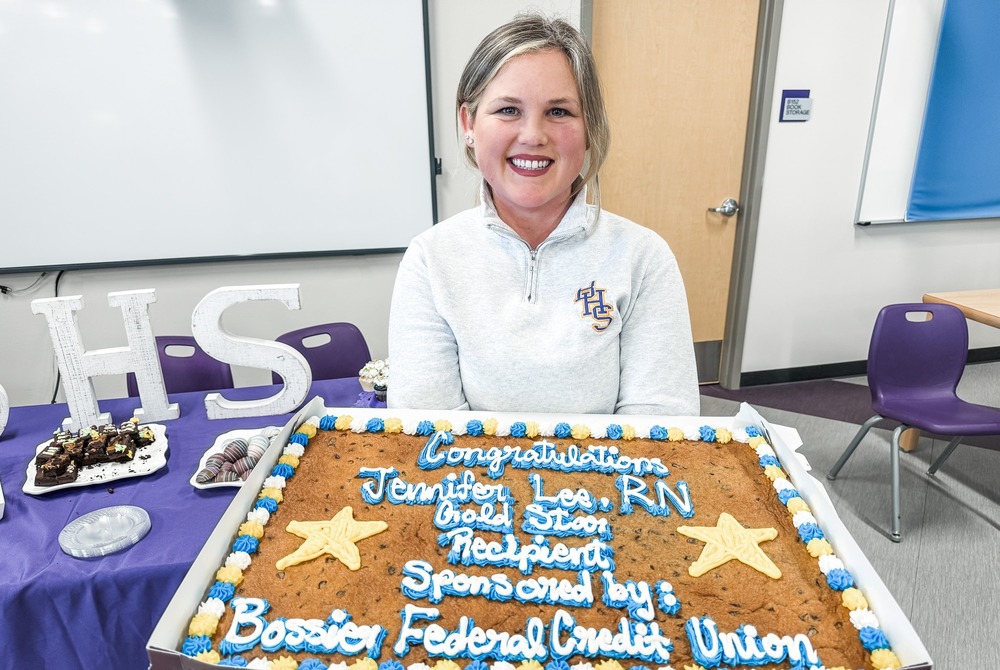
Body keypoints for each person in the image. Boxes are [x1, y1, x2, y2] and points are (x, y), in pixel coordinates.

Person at [387, 14, 699, 416]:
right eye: (508, 110)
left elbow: (660, 423)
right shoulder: (430, 260)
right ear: (468, 123)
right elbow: (426, 428)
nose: (533, 135)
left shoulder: (644, 258)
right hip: (467, 481)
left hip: (609, 480)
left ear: (590, 128)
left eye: (559, 112)